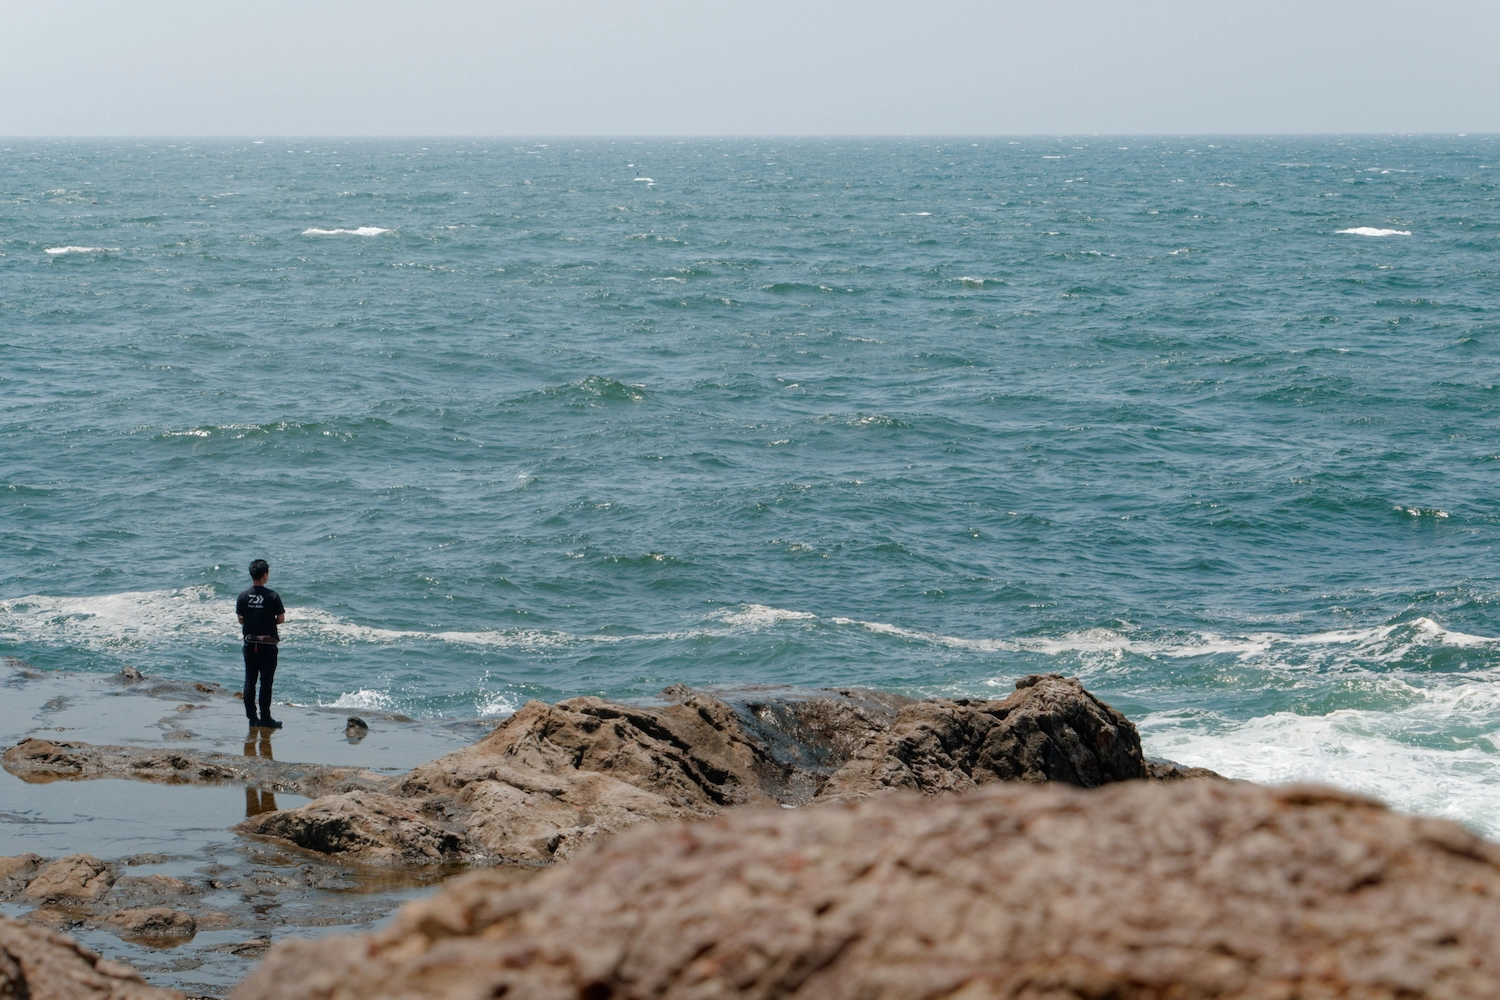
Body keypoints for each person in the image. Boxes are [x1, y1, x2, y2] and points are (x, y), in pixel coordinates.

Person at [236, 558, 285, 729]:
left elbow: (241, 620)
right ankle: (265, 717)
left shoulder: (243, 596)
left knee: (250, 680)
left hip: (250, 644)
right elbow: (281, 619)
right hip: (268, 645)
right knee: (266, 681)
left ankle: (252, 718)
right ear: (265, 575)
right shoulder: (272, 596)